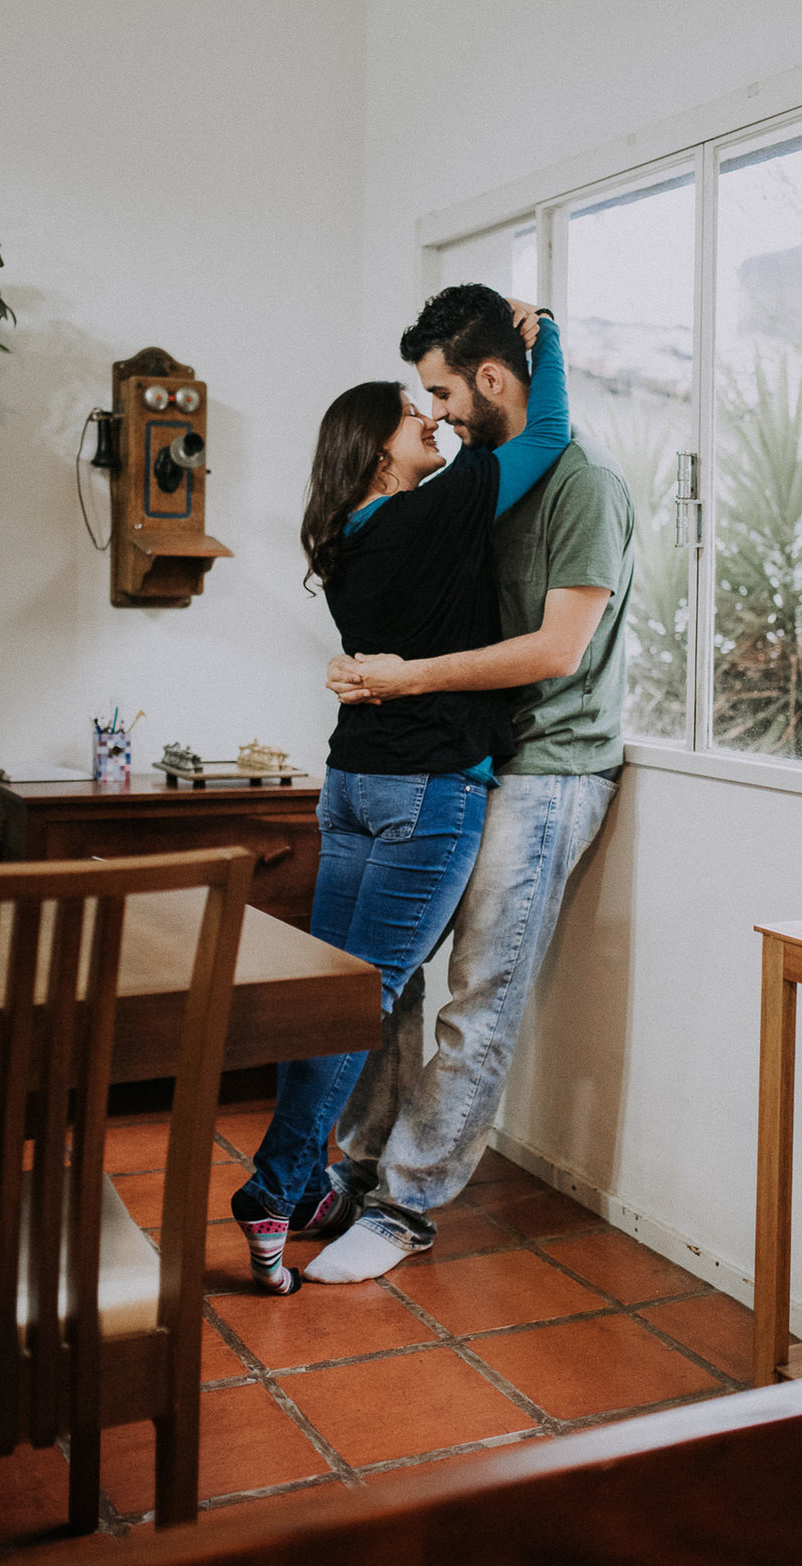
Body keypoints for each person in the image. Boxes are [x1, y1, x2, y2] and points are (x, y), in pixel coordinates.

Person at [231, 285, 570, 1293]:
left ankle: (289, 1184)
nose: (433, 417)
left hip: (350, 785)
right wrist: (540, 338)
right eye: (413, 413)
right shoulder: (434, 514)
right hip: (427, 793)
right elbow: (545, 432)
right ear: (382, 451)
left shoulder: (348, 540)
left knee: (324, 998)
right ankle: (274, 1185)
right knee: (363, 997)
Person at [304, 290, 635, 1285]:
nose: (436, 413)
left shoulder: (583, 486)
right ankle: (361, 1168)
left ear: (492, 380)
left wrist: (404, 674)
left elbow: (558, 648)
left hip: (551, 771)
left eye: (443, 392)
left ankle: (406, 1207)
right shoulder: (481, 483)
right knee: (384, 978)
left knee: (478, 1000)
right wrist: (373, 669)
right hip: (461, 765)